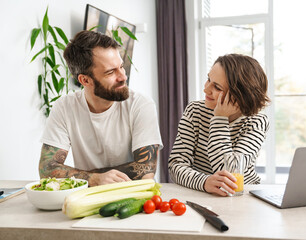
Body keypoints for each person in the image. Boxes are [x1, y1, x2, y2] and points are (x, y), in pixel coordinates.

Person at [39, 30, 163, 186]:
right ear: (85, 80)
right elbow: (47, 169)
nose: (123, 77)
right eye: (111, 72)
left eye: (121, 67)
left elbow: (145, 170)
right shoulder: (64, 107)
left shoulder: (141, 104)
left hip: (134, 194)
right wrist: (94, 179)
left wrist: (91, 178)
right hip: (88, 197)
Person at [169, 53, 270, 196]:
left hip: (243, 196)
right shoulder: (195, 111)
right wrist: (205, 182)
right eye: (208, 79)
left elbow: (231, 174)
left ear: (240, 95)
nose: (206, 89)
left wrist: (220, 119)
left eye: (216, 87)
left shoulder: (256, 122)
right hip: (201, 194)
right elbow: (176, 165)